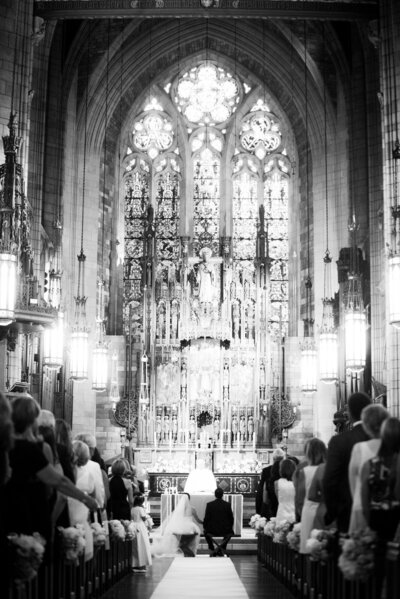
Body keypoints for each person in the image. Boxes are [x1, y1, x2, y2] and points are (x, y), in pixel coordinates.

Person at [4, 396, 98, 546]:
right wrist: (85, 498)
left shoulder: (6, 446)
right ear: (32, 420)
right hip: (30, 510)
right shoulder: (32, 449)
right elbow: (57, 481)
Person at [323, 392, 371, 532]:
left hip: (347, 511)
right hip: (379, 513)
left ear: (349, 413)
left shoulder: (339, 442)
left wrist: (333, 513)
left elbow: (330, 480)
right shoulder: (381, 438)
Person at [348, 404, 388, 533]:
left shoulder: (359, 448)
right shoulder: (394, 447)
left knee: (362, 549)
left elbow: (353, 483)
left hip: (361, 506)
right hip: (388, 508)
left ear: (366, 425)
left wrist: (358, 500)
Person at [360, 417, 400, 541]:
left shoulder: (369, 464)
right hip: (396, 517)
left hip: (376, 519)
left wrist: (367, 527)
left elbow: (364, 501)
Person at [297, 438, 327, 553]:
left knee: (309, 545)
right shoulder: (327, 469)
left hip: (308, 509)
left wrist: (301, 512)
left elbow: (300, 498)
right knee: (323, 544)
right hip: (324, 509)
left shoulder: (304, 471)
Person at [67, 441, 95, 561]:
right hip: (82, 517)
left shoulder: (66, 470)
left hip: (68, 514)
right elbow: (94, 498)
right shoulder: (88, 474)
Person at [152, 493, 201, 557]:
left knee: (178, 537)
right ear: (189, 499)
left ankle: (182, 549)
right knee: (194, 535)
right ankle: (191, 551)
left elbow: (175, 519)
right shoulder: (192, 509)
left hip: (180, 527)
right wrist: (203, 522)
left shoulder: (179, 509)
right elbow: (197, 519)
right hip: (190, 527)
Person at [75, 433, 105, 509]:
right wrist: (100, 505)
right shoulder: (93, 466)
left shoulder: (67, 462)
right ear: (91, 449)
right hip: (88, 509)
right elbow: (99, 493)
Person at [203, 487, 234, 557]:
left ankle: (212, 548)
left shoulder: (209, 505)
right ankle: (222, 548)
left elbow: (206, 518)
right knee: (230, 533)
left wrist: (205, 527)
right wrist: (229, 527)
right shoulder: (227, 505)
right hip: (225, 530)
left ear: (215, 495)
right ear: (222, 495)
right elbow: (231, 518)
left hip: (212, 530)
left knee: (205, 532)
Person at [255, 448, 285, 518]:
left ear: (273, 459)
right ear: (283, 459)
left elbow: (261, 490)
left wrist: (258, 510)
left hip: (270, 505)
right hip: (283, 504)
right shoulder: (287, 470)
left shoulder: (266, 470)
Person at [131, 495, 152, 572]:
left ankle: (135, 564)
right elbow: (143, 518)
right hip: (140, 526)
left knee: (136, 545)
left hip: (134, 525)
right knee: (142, 545)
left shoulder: (132, 509)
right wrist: (147, 518)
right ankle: (141, 565)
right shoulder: (140, 509)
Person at [275, 458, 296, 524]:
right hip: (294, 512)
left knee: (280, 532)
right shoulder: (297, 482)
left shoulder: (277, 483)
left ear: (281, 469)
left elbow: (278, 498)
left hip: (282, 512)